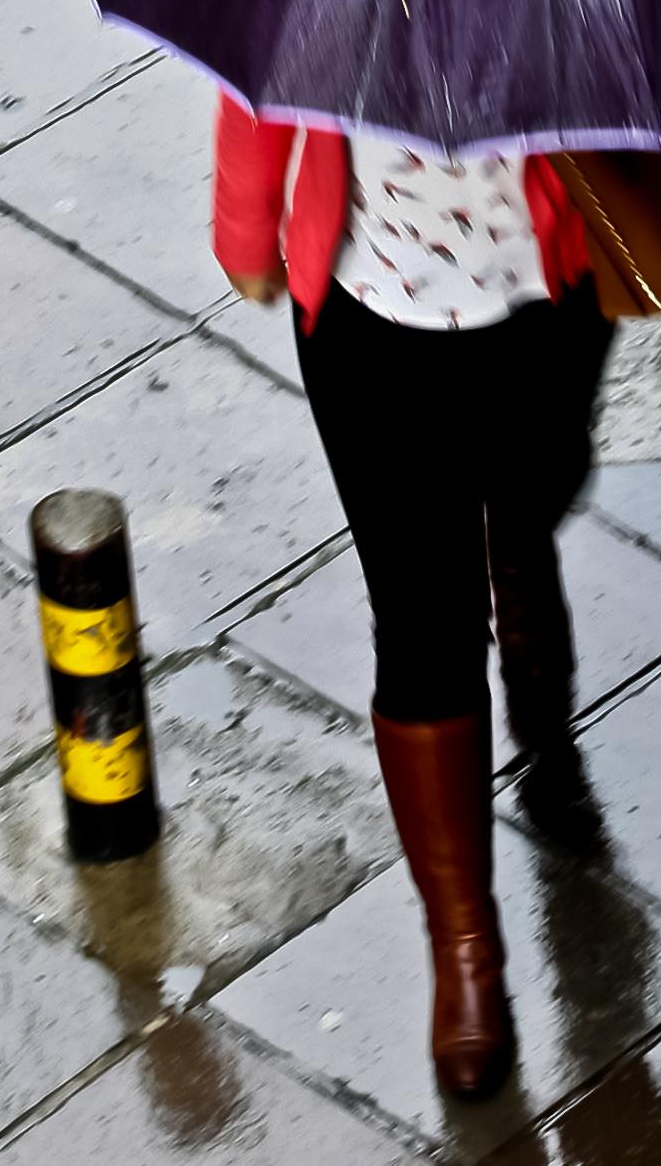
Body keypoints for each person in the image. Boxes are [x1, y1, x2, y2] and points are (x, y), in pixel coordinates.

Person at [213, 96, 616, 1101]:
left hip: (549, 292)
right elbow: (258, 63)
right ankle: (466, 948)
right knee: (424, 621)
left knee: (537, 485)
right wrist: (246, 220)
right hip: (367, 314)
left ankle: (519, 567)